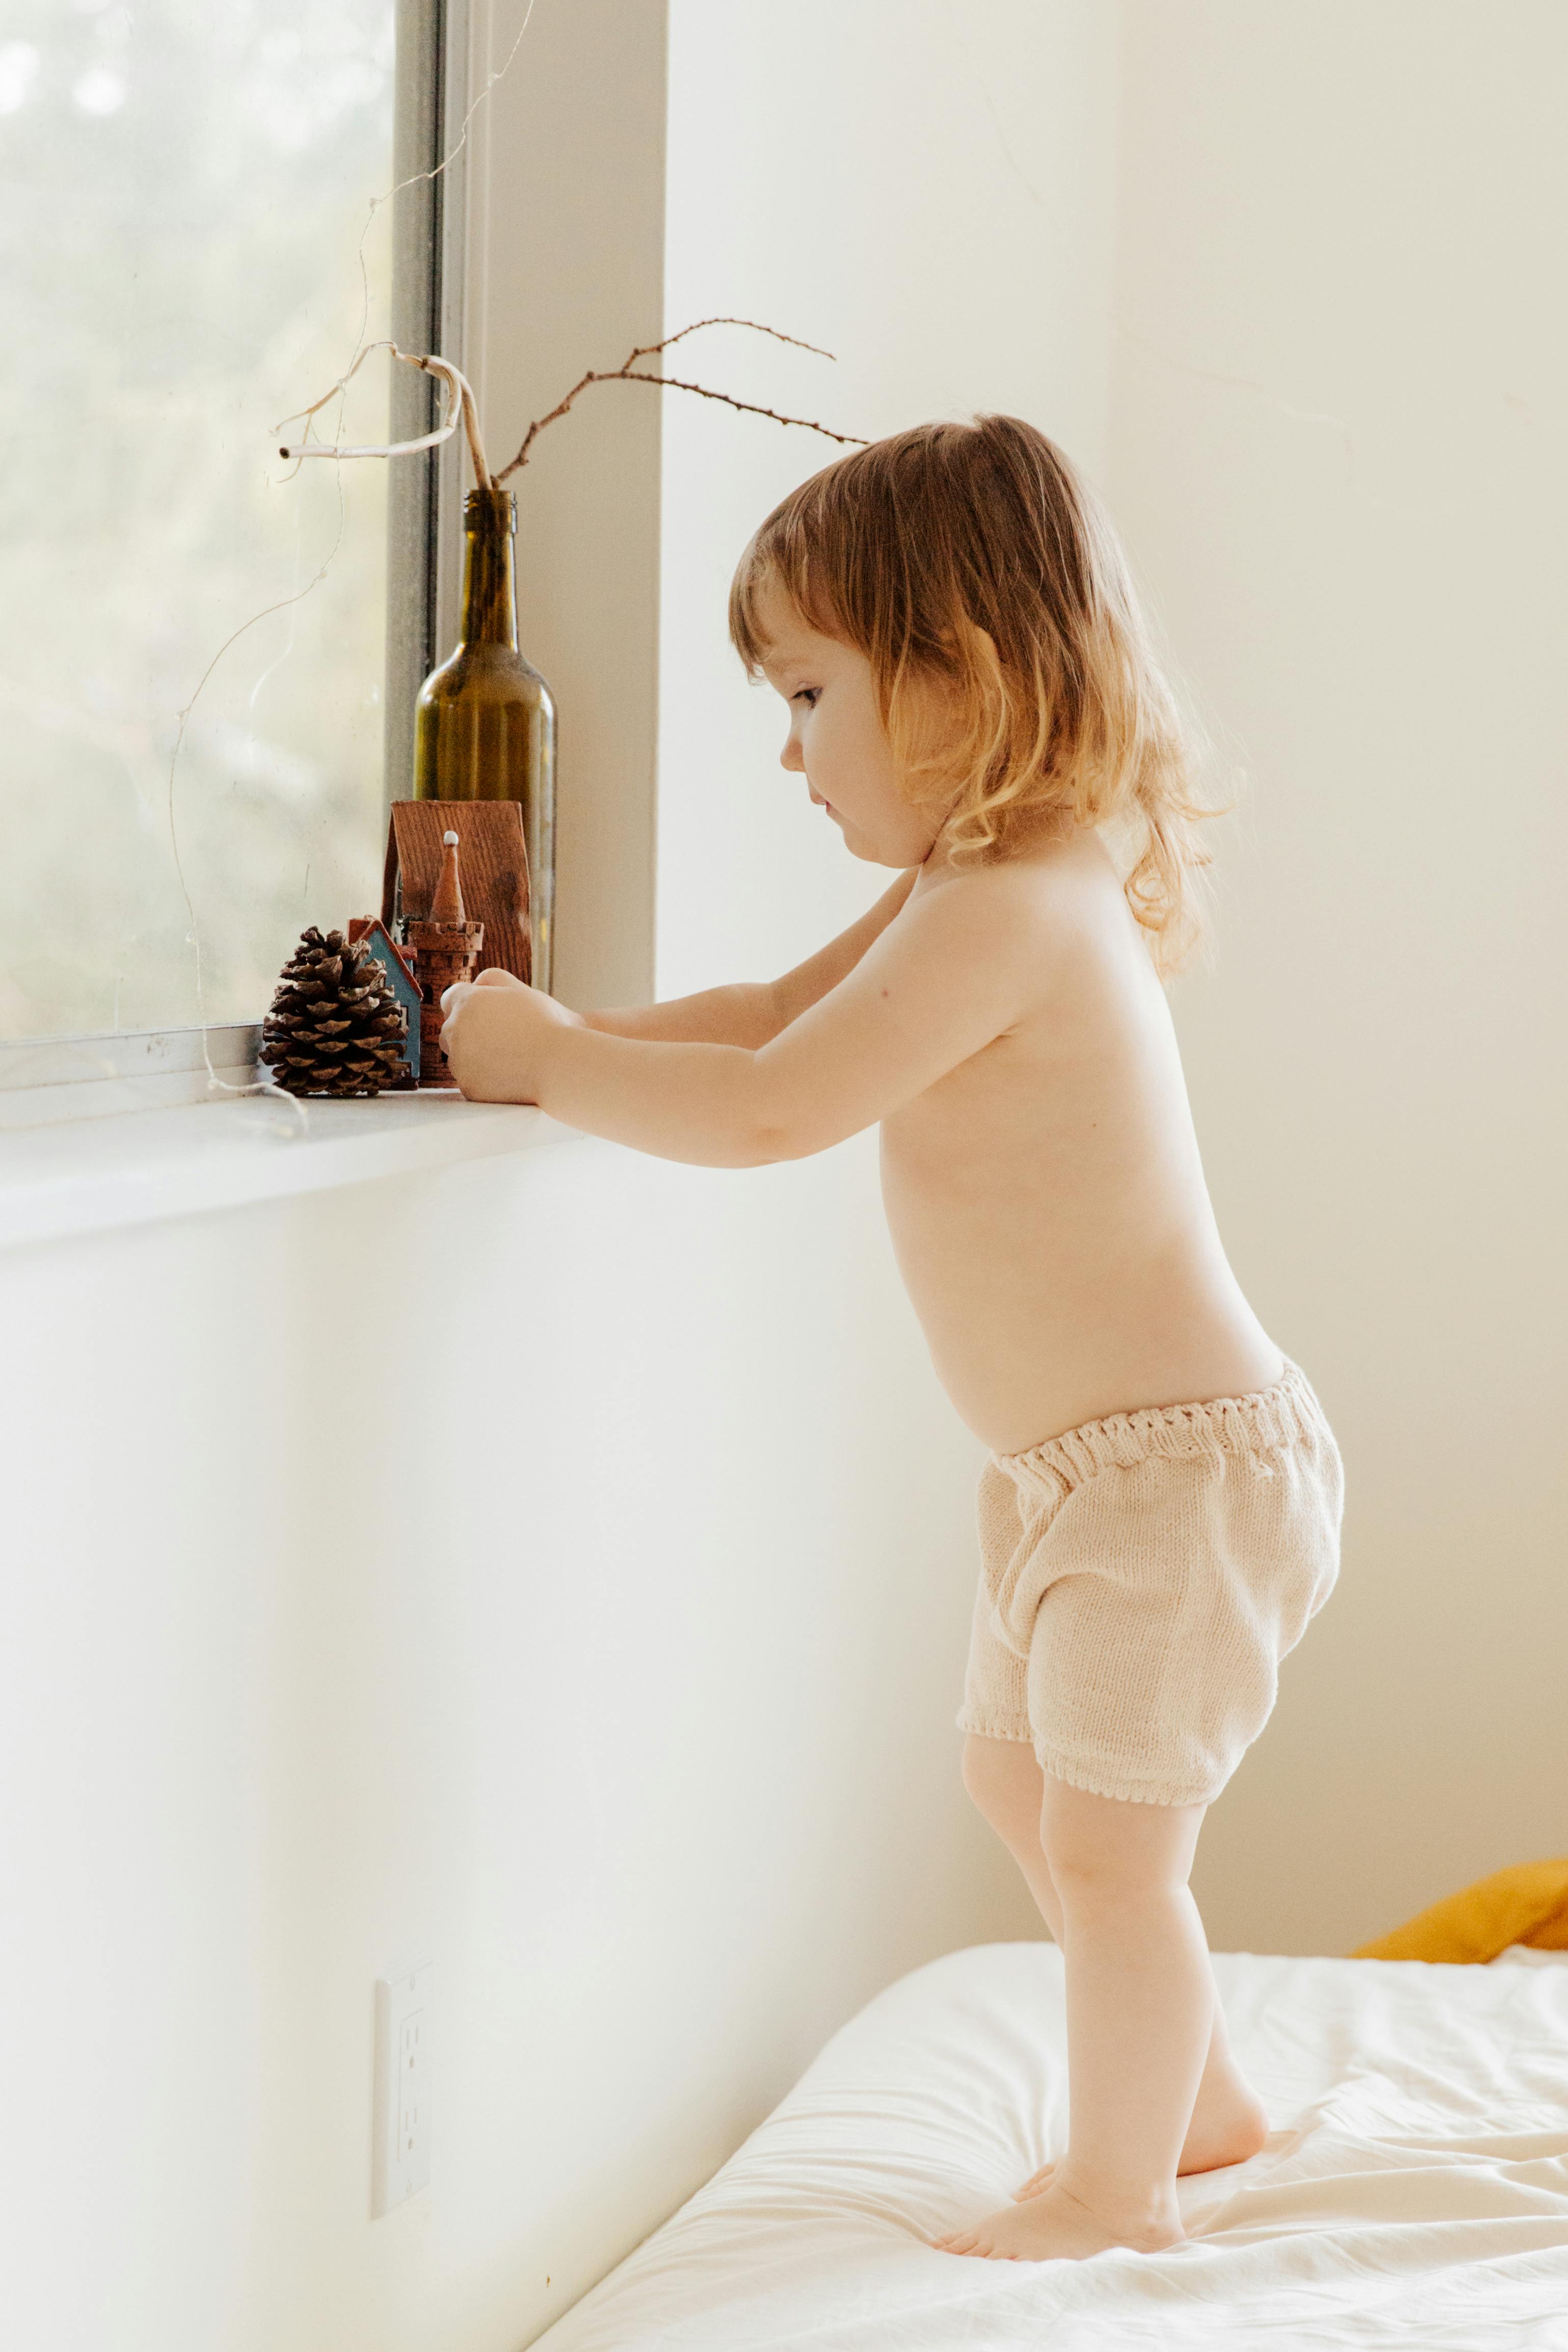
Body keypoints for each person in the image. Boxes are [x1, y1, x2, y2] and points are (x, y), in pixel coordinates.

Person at [439, 416, 1343, 2263]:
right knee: (1014, 1784)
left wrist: (555, 1068)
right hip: (1078, 1473)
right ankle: (1213, 2099)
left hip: (1179, 1479)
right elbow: (776, 1012)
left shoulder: (1016, 908)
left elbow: (778, 1106)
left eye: (805, 696)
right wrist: (574, 1027)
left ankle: (1116, 2187)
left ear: (964, 677)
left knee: (1110, 1856)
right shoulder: (971, 888)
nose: (787, 753)